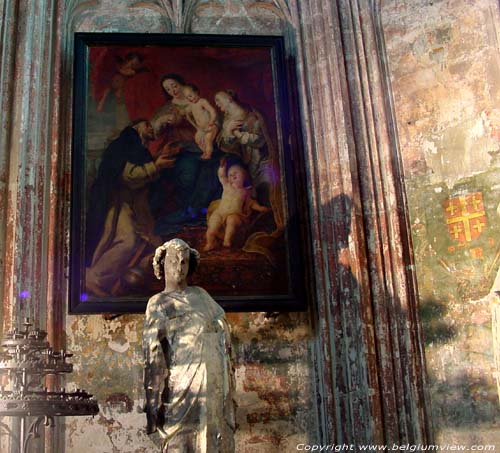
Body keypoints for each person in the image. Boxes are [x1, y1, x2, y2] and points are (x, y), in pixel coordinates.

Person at [143, 239, 235, 452]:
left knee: (212, 435)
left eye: (184, 262)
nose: (179, 266)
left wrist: (211, 328)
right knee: (181, 440)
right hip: (183, 380)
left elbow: (222, 325)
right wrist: (152, 402)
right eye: (173, 261)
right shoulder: (158, 302)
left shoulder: (201, 295)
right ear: (162, 264)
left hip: (212, 377)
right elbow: (153, 354)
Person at [85, 120, 174, 297]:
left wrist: (158, 161)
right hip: (119, 203)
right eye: (146, 124)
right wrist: (156, 166)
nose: (151, 127)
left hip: (137, 206)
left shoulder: (141, 149)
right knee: (128, 240)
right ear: (136, 127)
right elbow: (129, 176)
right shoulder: (123, 145)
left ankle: (120, 285)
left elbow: (146, 178)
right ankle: (94, 278)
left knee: (152, 245)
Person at [205, 160, 270, 251]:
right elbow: (221, 176)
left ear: (244, 176)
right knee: (212, 225)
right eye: (230, 175)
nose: (232, 176)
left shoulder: (245, 192)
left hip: (235, 214)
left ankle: (227, 240)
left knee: (232, 220)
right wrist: (222, 167)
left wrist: (260, 208)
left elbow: (251, 203)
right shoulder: (227, 185)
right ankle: (210, 242)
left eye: (236, 173)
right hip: (220, 212)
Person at [183, 84, 219, 160]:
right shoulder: (191, 105)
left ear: (196, 92)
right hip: (201, 129)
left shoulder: (202, 101)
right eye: (187, 98)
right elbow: (187, 114)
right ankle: (205, 152)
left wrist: (211, 122)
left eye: (190, 96)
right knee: (197, 139)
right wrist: (195, 126)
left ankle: (209, 155)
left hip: (211, 126)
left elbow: (213, 111)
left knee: (207, 139)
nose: (189, 99)